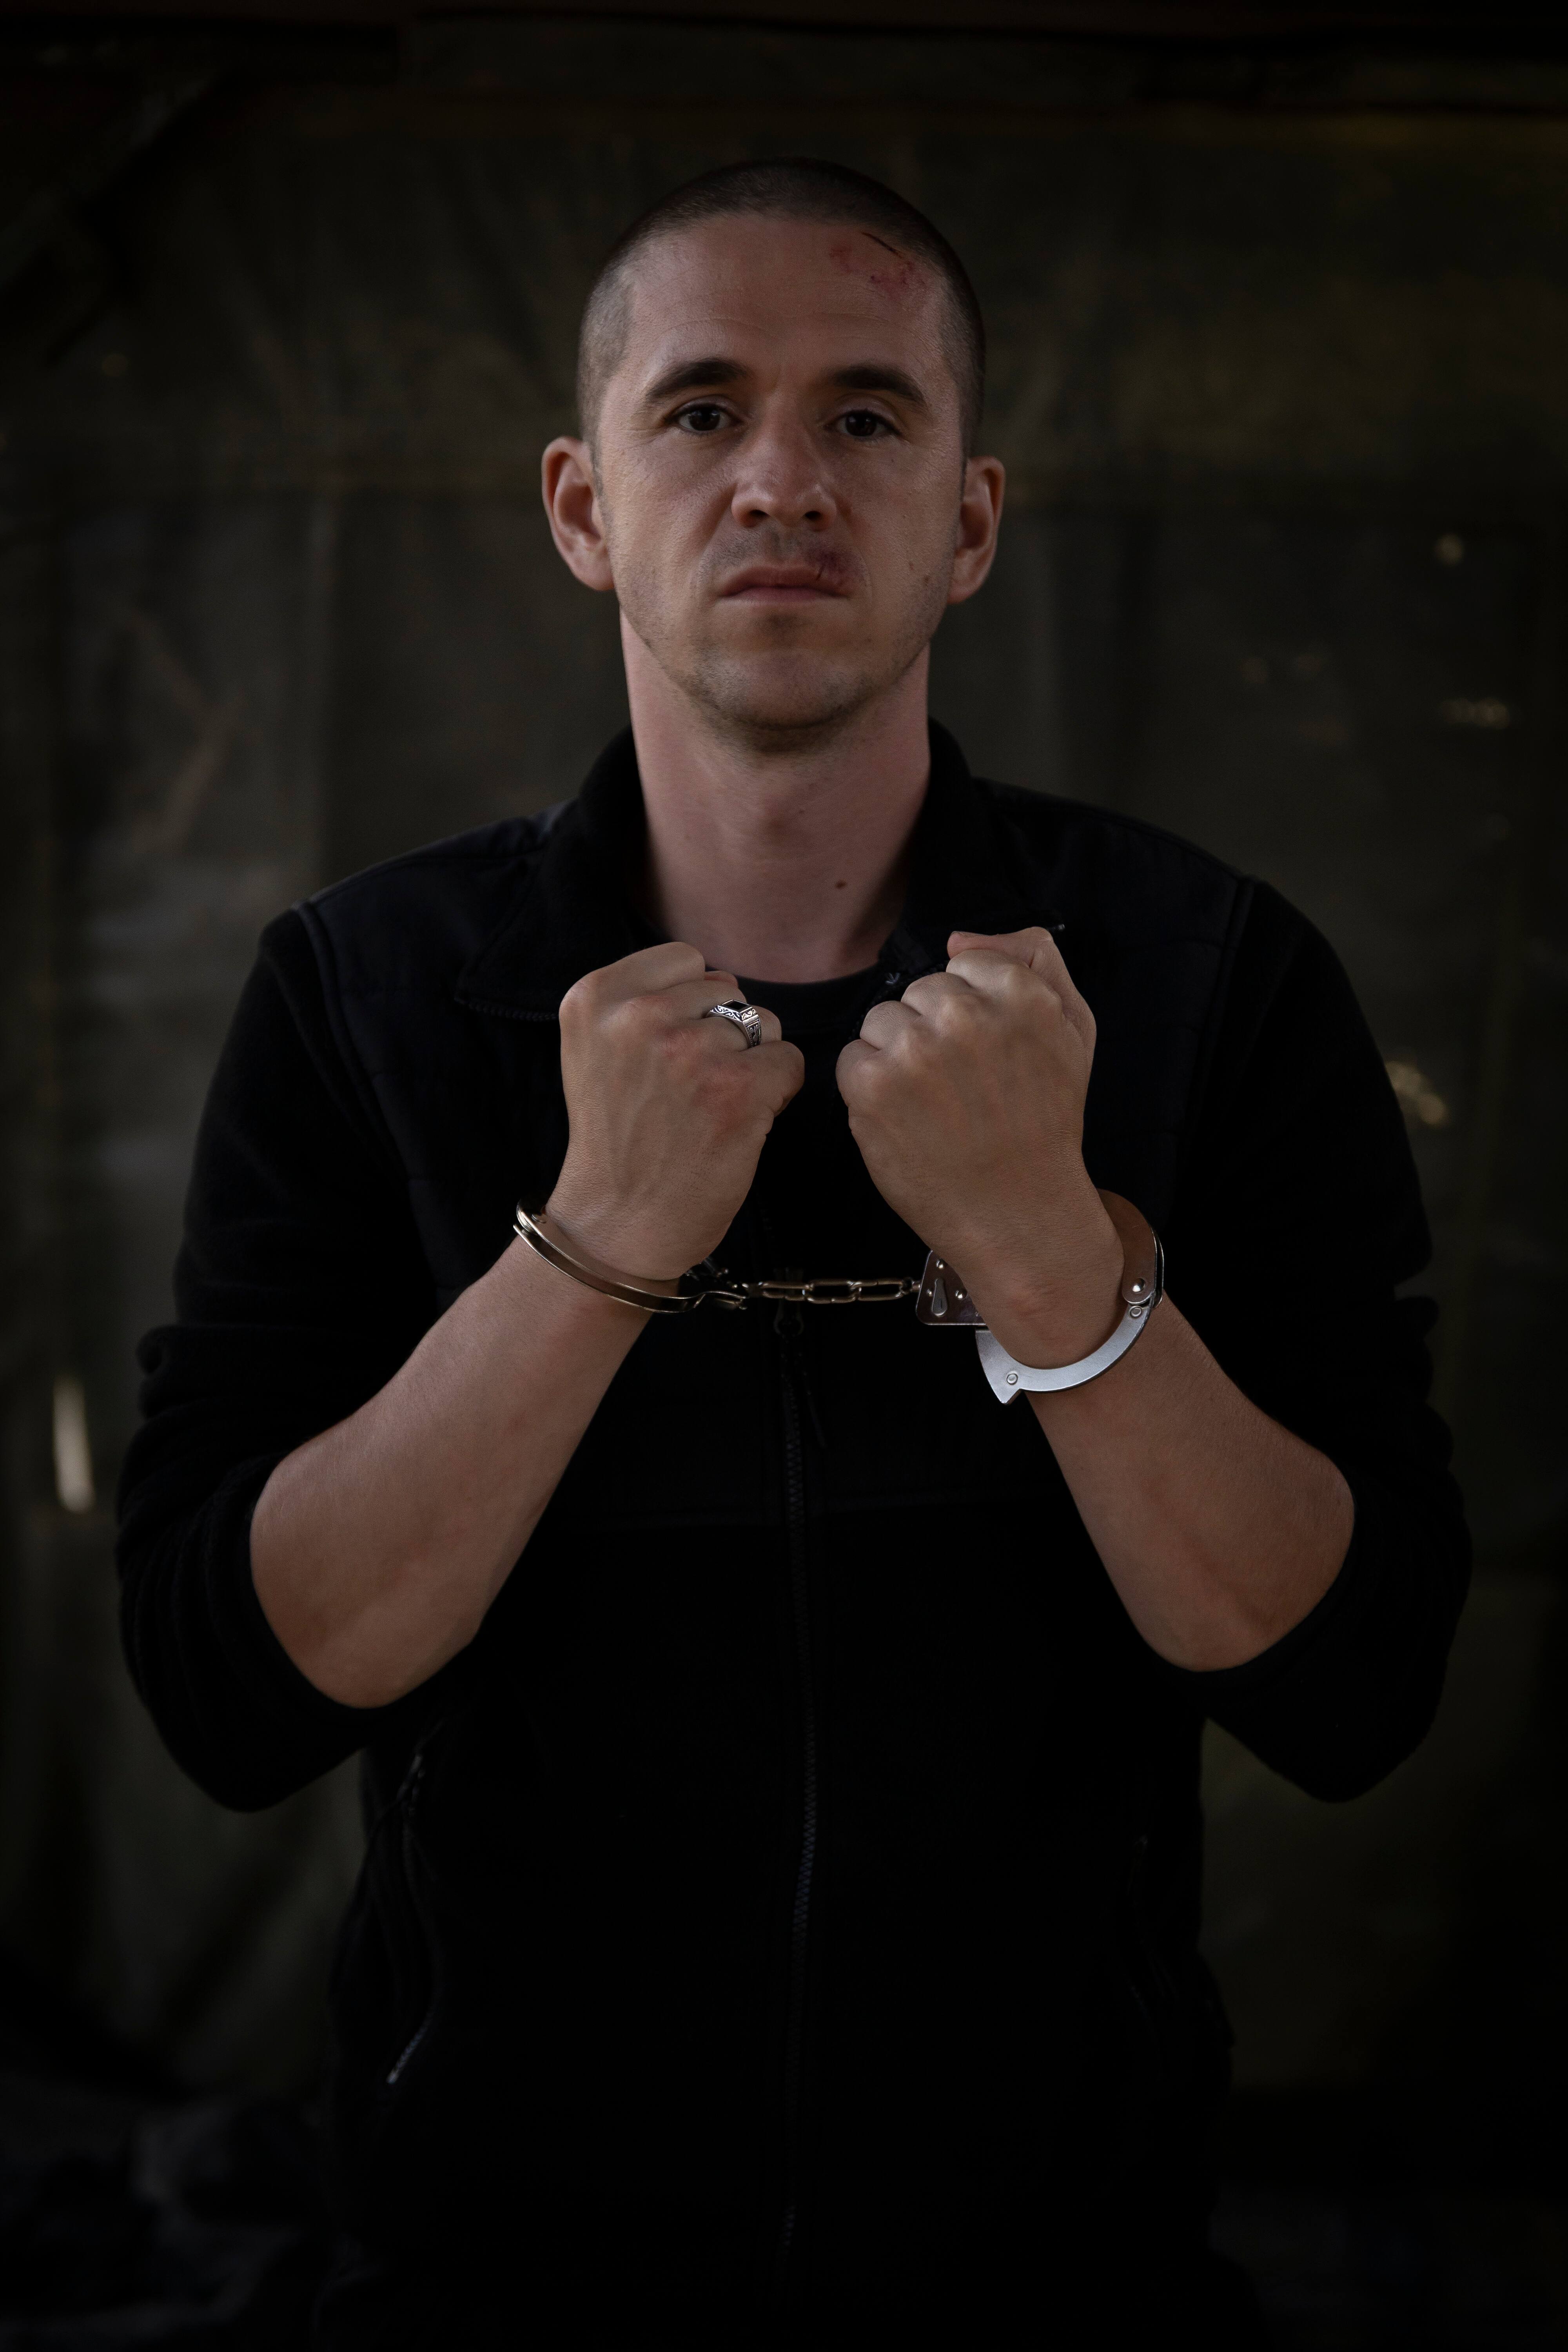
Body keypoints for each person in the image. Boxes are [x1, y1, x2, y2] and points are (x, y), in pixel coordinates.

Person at [117, 160, 1469, 2347]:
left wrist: (1052, 1261)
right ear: (583, 507)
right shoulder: (365, 997)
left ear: (971, 521)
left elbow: (1356, 1688)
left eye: (865, 414)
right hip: (491, 2282)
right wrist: (592, 1248)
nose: (781, 480)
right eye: (700, 409)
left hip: (1059, 2281)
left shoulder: (1207, 979)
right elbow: (230, 1693)